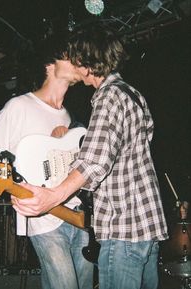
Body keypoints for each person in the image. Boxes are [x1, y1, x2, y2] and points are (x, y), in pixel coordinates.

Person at [12, 21, 169, 289]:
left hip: (123, 229)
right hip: (147, 227)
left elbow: (95, 162)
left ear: (87, 62)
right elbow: (136, 141)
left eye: (76, 58)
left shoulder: (107, 97)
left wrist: (53, 195)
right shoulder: (133, 95)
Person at [0, 38, 94, 289]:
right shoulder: (19, 106)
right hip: (43, 217)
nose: (78, 61)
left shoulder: (69, 117)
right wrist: (9, 181)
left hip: (78, 212)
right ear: (50, 65)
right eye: (68, 55)